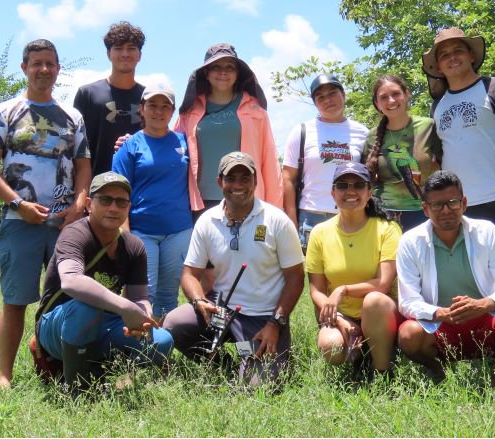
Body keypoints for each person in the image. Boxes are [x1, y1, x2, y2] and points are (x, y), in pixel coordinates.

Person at [0, 39, 91, 390]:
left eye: (50, 64)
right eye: (37, 63)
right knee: (16, 301)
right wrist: (18, 205)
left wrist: (79, 205)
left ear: (58, 69)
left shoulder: (72, 117)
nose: (44, 69)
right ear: (24, 68)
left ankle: (58, 368)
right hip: (19, 223)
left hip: (65, 226)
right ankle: (5, 376)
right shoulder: (4, 113)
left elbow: (84, 166)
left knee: (66, 298)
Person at [162, 152, 304, 386]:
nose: (238, 185)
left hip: (263, 319)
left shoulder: (277, 221)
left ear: (255, 181)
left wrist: (275, 323)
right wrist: (199, 301)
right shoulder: (207, 221)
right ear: (220, 182)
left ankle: (248, 357)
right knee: (174, 324)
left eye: (244, 178)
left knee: (257, 386)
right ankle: (225, 365)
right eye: (231, 178)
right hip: (221, 312)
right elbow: (189, 274)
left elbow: (296, 278)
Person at [422, 27, 495, 309]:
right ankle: (481, 343)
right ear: (437, 66)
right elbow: (436, 156)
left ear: (472, 55)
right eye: (444, 55)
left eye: (458, 51)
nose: (452, 58)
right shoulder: (437, 104)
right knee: (468, 276)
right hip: (454, 205)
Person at [35, 172, 173, 396]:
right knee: (86, 307)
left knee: (162, 341)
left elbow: (139, 297)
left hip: (105, 322)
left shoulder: (133, 246)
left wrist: (142, 315)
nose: (113, 208)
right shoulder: (74, 234)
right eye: (105, 200)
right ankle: (77, 392)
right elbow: (71, 281)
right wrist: (124, 307)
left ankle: (114, 379)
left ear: (129, 207)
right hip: (57, 324)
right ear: (89, 204)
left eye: (121, 202)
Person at [396, 170, 495, 382]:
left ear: (464, 203)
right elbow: (407, 301)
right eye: (437, 205)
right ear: (425, 209)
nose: (446, 210)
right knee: (409, 335)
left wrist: (483, 305)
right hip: (440, 325)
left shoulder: (486, 231)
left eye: (452, 202)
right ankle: (438, 371)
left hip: (485, 319)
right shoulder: (410, 241)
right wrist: (441, 313)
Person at [305, 162, 402, 375]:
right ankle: (359, 358)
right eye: (343, 185)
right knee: (332, 349)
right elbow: (317, 290)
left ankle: (382, 372)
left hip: (380, 312)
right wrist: (339, 319)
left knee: (373, 300)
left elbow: (383, 284)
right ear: (332, 193)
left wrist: (343, 290)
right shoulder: (320, 232)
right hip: (342, 314)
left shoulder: (387, 229)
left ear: (369, 192)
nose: (350, 191)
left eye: (358, 185)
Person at [111, 85, 192, 319]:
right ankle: (139, 350)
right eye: (153, 106)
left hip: (179, 231)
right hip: (141, 233)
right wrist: (125, 236)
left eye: (165, 106)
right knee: (143, 296)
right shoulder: (129, 146)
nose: (159, 111)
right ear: (142, 110)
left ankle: (164, 348)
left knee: (169, 296)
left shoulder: (184, 141)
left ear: (173, 111)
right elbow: (119, 192)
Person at [176, 43, 282, 216]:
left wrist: (275, 211)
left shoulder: (256, 111)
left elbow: (270, 162)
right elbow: (171, 148)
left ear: (237, 73)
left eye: (229, 67)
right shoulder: (190, 111)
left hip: (245, 200)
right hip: (199, 203)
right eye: (216, 67)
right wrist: (132, 141)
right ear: (206, 73)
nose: (223, 72)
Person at [282, 74, 368, 251]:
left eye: (332, 93)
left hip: (352, 214)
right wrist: (292, 221)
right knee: (315, 277)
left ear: (343, 95)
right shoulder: (302, 131)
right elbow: (288, 178)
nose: (327, 100)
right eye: (320, 97)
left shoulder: (363, 133)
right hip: (311, 216)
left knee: (352, 274)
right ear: (315, 103)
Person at [362, 75, 442, 231]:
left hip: (424, 212)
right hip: (384, 217)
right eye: (384, 97)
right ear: (377, 104)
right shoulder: (372, 136)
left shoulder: (428, 126)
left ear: (407, 94)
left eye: (395, 94)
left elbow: (442, 166)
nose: (391, 100)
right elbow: (367, 179)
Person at [75, 21, 146, 176]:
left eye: (131, 48)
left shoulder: (149, 97)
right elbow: (76, 146)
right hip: (95, 187)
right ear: (109, 54)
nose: (125, 54)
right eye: (118, 48)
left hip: (139, 186)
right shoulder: (87, 94)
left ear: (139, 55)